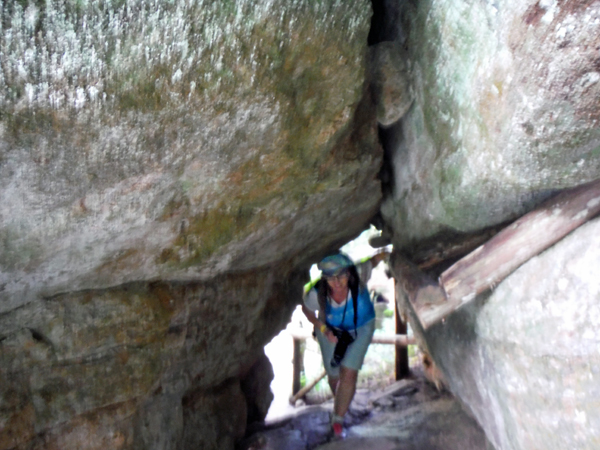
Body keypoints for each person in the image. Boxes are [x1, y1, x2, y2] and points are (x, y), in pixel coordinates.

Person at [302, 252, 376, 438]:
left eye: (341, 275)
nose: (336, 282)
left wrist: (389, 252)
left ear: (349, 273)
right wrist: (322, 327)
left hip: (362, 326)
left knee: (348, 372)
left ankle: (338, 420)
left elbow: (374, 260)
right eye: (330, 278)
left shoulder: (358, 275)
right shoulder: (318, 293)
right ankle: (342, 404)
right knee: (334, 374)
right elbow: (306, 308)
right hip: (330, 329)